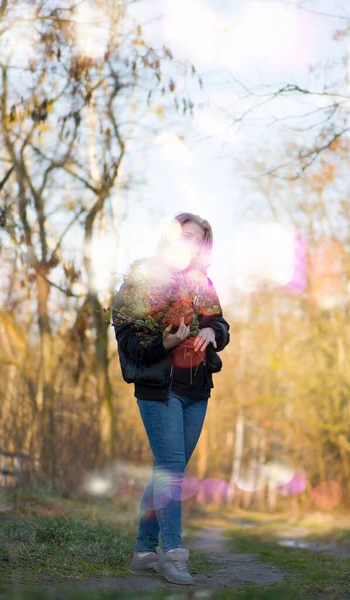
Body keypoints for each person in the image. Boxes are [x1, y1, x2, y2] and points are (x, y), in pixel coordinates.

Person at [112, 212, 230, 585]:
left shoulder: (202, 283)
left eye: (199, 239)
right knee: (172, 471)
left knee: (167, 470)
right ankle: (173, 554)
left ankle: (144, 552)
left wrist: (213, 331)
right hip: (159, 389)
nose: (191, 243)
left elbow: (221, 323)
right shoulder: (144, 278)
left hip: (197, 390)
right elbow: (128, 339)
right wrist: (163, 342)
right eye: (186, 236)